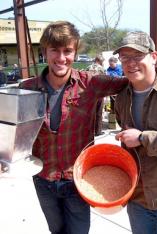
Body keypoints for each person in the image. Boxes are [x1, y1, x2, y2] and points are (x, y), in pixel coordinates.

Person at [19, 21, 128, 234]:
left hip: (77, 181)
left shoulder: (91, 83)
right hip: (43, 179)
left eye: (67, 51)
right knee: (56, 230)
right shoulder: (27, 89)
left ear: (75, 53)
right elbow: (12, 130)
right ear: (45, 52)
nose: (61, 58)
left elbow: (132, 81)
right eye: (55, 51)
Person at [114, 31, 157, 234]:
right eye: (125, 57)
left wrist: (142, 137)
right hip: (137, 198)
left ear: (154, 56)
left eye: (137, 56)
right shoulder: (122, 98)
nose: (131, 63)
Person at [86, 55, 105, 136]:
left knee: (89, 112)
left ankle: (89, 130)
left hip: (89, 93)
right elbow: (105, 80)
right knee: (98, 112)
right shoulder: (101, 68)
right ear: (100, 60)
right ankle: (98, 131)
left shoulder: (88, 67)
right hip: (99, 92)